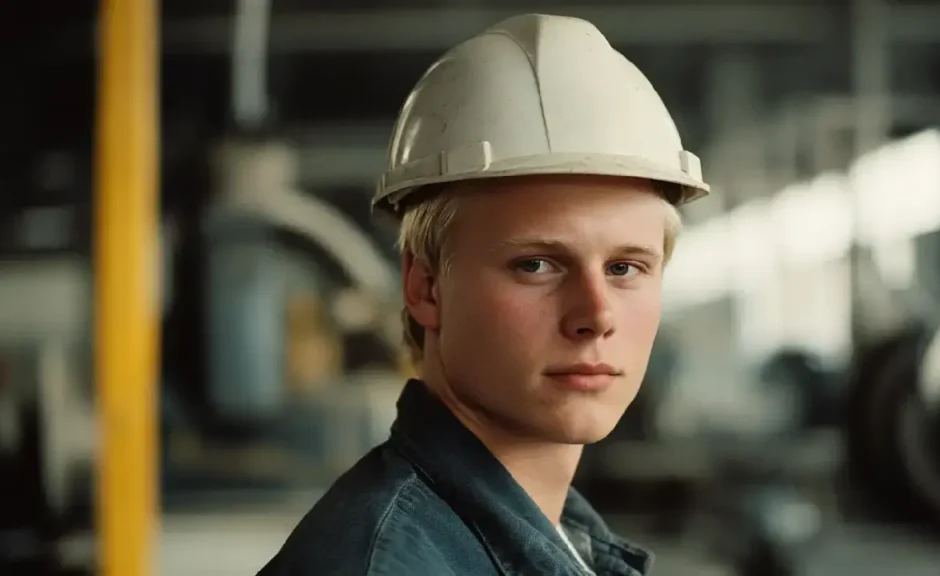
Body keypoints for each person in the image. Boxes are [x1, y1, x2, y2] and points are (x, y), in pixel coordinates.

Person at [258, 13, 709, 575]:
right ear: (425, 287)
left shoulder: (554, 537)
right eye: (537, 264)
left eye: (624, 267)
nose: (595, 315)